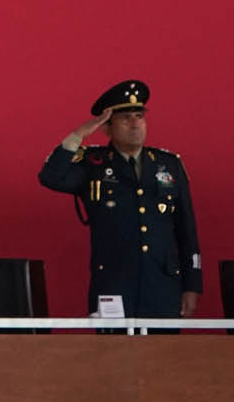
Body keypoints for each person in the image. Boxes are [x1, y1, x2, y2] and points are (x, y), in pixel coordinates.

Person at [37, 79, 201, 317]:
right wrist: (80, 134)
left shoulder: (168, 165)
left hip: (162, 285)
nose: (135, 124)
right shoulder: (93, 164)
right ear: (107, 128)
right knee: (114, 353)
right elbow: (50, 177)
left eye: (139, 116)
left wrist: (192, 285)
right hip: (113, 284)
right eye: (125, 118)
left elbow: (187, 231)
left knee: (165, 354)